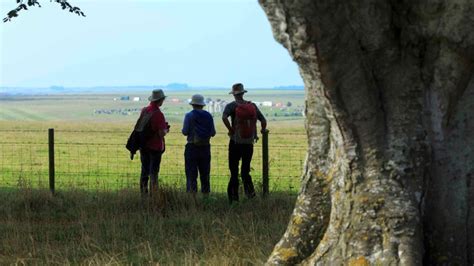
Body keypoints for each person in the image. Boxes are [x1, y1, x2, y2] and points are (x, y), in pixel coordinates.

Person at [222, 83, 267, 203]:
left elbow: (224, 117)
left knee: (234, 171)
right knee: (245, 171)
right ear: (243, 93)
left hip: (235, 142)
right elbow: (263, 120)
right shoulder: (252, 106)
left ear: (234, 94)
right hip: (248, 143)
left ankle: (233, 198)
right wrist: (262, 130)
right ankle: (250, 196)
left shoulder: (231, 106)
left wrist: (230, 130)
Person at [182, 94, 216, 196]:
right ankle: (206, 197)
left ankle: (192, 199)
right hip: (205, 147)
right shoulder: (209, 116)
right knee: (205, 174)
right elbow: (213, 133)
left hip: (192, 147)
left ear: (192, 104)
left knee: (191, 175)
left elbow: (185, 132)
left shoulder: (189, 116)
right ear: (202, 105)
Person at [138, 89, 169, 195]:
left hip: (143, 146)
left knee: (144, 172)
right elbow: (161, 133)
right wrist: (166, 130)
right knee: (154, 174)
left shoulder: (144, 110)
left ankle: (143, 195)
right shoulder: (159, 114)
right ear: (160, 100)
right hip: (155, 148)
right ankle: (153, 196)